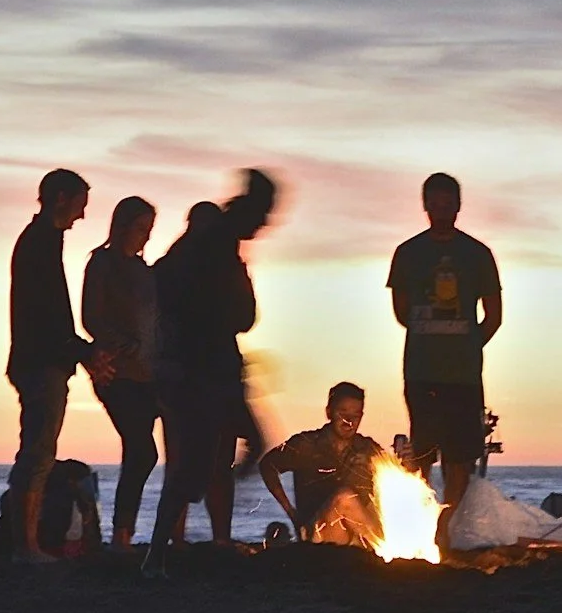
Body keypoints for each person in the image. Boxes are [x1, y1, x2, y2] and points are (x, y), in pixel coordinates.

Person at [146, 169, 278, 576]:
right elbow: (239, 314)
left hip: (211, 368)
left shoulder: (213, 246)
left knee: (243, 448)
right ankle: (157, 554)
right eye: (264, 215)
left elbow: (238, 314)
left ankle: (168, 545)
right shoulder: (214, 246)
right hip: (202, 371)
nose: (267, 225)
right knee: (198, 466)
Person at [385, 172, 501, 556]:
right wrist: (432, 332)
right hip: (421, 370)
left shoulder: (478, 254)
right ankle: (418, 529)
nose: (440, 211)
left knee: (461, 457)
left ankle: (447, 530)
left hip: (463, 374)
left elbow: (494, 316)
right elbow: (401, 311)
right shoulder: (407, 253)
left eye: (447, 204)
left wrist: (467, 343)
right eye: (433, 204)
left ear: (458, 205)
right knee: (421, 454)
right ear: (425, 206)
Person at [6, 169, 106, 566]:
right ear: (61, 198)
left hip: (42, 358)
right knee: (38, 452)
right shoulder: (39, 243)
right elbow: (47, 314)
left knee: (38, 450)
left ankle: (26, 545)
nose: (81, 216)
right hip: (40, 361)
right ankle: (26, 547)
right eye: (80, 205)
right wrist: (80, 351)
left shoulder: (43, 242)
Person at [83, 196, 162, 548]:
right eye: (140, 228)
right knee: (142, 450)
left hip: (150, 373)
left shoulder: (146, 272)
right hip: (117, 371)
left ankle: (128, 534)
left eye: (149, 230)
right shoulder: (103, 263)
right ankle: (121, 535)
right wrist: (122, 344)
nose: (145, 236)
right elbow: (91, 317)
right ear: (122, 226)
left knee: (144, 450)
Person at [258, 382, 386, 549]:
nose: (349, 421)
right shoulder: (306, 445)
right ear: (329, 412)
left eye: (356, 415)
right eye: (343, 414)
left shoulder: (367, 447)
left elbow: (400, 478)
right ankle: (389, 550)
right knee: (345, 499)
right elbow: (267, 465)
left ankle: (385, 548)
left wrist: (399, 459)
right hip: (321, 534)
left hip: (359, 535)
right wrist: (292, 513)